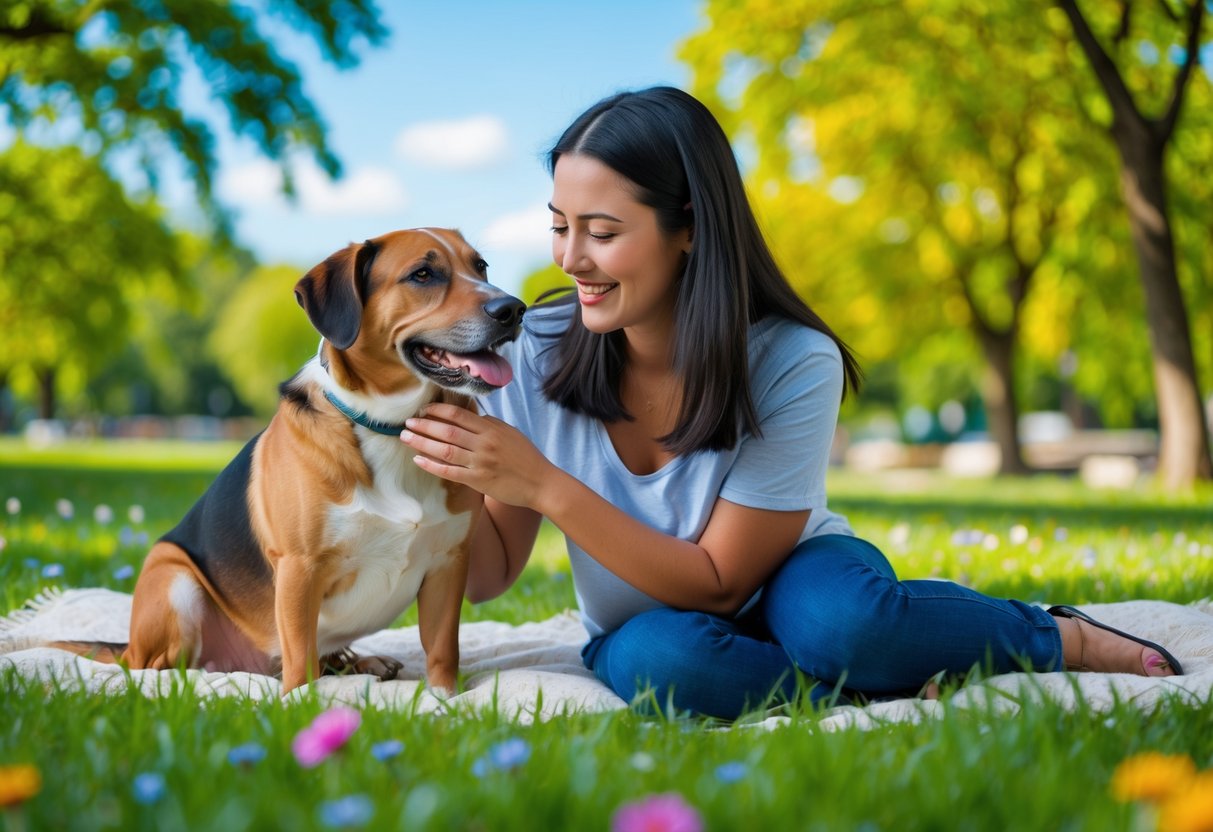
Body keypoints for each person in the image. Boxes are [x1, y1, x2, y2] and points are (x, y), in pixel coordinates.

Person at [399, 86, 1183, 720]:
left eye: (601, 232)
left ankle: (1050, 636)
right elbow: (490, 575)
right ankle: (882, 687)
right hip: (648, 626)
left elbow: (720, 582)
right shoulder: (531, 352)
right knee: (666, 665)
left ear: (690, 230)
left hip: (791, 576)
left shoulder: (790, 358)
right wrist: (450, 472)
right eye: (560, 226)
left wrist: (541, 483)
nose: (571, 259)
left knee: (848, 626)